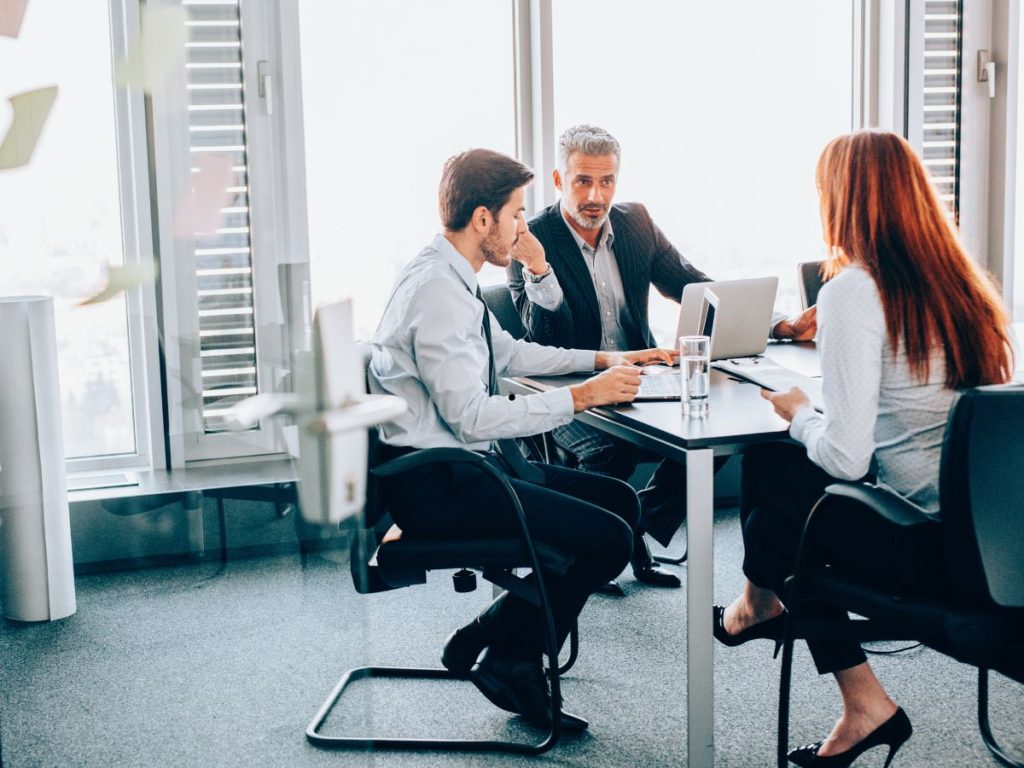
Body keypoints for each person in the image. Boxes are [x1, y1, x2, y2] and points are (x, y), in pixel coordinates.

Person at [714, 130, 1013, 767]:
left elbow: (848, 459)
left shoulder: (854, 290)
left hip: (932, 550)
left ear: (843, 200)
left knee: (773, 489)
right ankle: (772, 620)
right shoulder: (965, 286)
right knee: (784, 506)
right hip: (999, 545)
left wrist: (800, 415)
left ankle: (768, 615)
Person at [368, 148, 676, 731]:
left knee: (620, 503)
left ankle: (492, 631)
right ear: (482, 219)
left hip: (467, 468)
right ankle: (511, 657)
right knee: (608, 540)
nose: (522, 227)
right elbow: (473, 418)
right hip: (445, 484)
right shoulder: (438, 293)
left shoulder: (448, 274)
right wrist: (583, 397)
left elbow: (509, 354)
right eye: (515, 214)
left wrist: (612, 358)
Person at [508, 124, 815, 587]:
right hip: (572, 381)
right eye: (583, 181)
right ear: (558, 180)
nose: (596, 194)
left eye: (607, 181)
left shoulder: (636, 222)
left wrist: (780, 324)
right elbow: (542, 337)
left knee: (717, 437)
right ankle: (603, 545)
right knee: (610, 455)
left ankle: (633, 527)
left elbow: (692, 284)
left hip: (641, 372)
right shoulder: (530, 239)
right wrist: (540, 268)